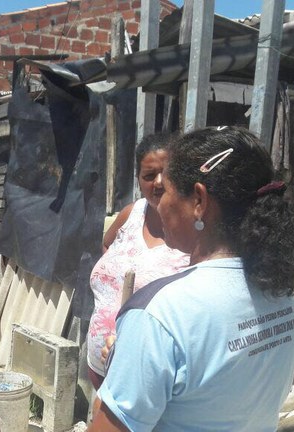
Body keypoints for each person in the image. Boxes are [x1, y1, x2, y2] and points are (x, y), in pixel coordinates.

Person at [91, 126, 294, 431]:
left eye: (166, 191)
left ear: (198, 201)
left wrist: (117, 377)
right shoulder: (285, 294)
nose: (159, 203)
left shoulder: (159, 313)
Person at [86, 133, 189, 390]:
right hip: (99, 365)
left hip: (142, 376)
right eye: (149, 175)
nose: (158, 182)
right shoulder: (131, 214)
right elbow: (107, 243)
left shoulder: (191, 232)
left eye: (166, 173)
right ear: (139, 179)